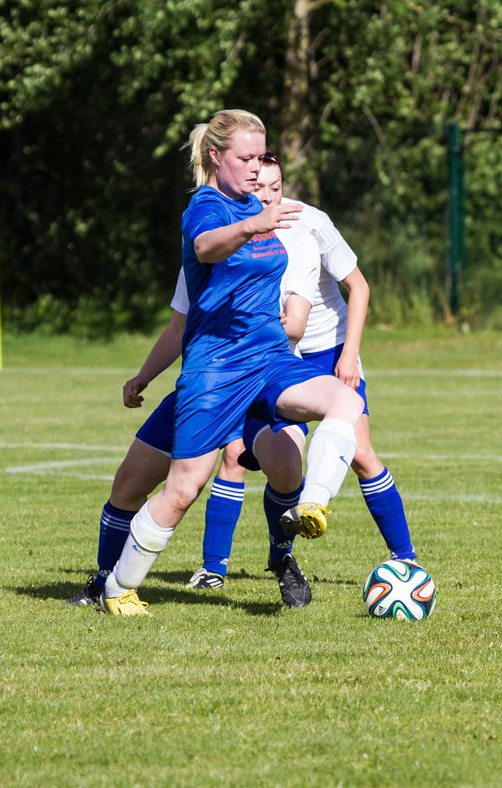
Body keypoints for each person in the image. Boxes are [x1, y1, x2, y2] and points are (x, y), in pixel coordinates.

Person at [98, 109, 363, 616]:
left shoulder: (257, 206)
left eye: (261, 157)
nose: (256, 168)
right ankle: (118, 587)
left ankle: (313, 503)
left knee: (344, 400)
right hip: (216, 368)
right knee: (181, 490)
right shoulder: (209, 206)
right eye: (246, 158)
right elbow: (205, 247)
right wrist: (253, 224)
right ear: (216, 157)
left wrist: (262, 219)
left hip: (266, 357)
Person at [190, 157, 417, 581]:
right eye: (261, 190)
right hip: (268, 356)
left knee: (362, 455)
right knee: (242, 455)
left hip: (325, 352)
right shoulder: (232, 230)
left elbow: (359, 287)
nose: (269, 197)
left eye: (276, 188)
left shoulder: (309, 225)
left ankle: (405, 558)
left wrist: (349, 355)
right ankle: (218, 568)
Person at [67, 230, 320, 609]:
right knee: (129, 482)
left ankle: (280, 556)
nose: (263, 195)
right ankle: (104, 581)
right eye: (255, 182)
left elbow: (296, 325)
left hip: (264, 384)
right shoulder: (206, 248)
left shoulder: (293, 247)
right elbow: (177, 328)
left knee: (285, 468)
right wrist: (144, 376)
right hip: (207, 386)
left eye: (272, 186)